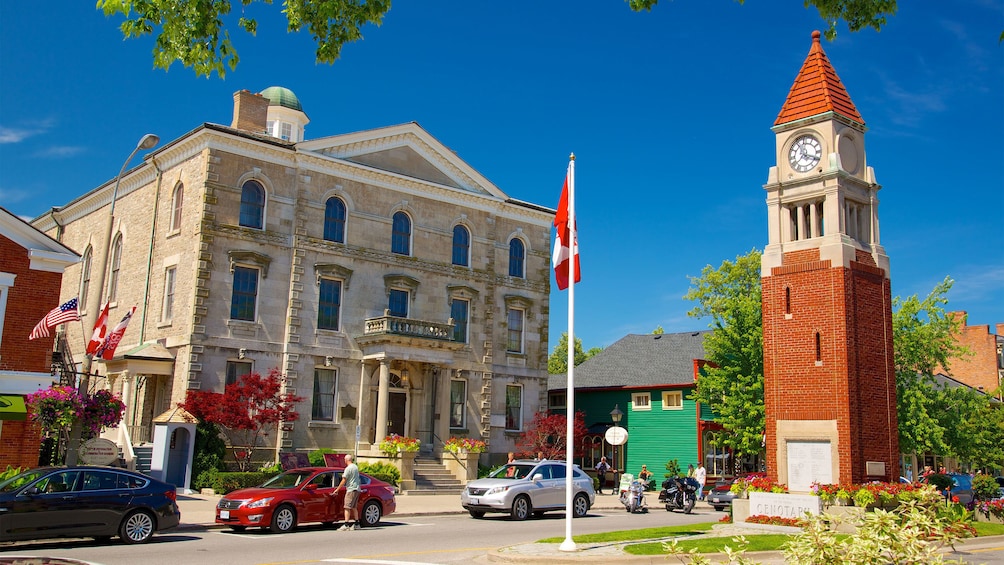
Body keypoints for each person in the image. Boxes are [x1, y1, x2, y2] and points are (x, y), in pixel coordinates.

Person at [336, 454, 361, 531]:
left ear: (346, 460)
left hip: (351, 489)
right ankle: (357, 524)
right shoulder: (355, 467)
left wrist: (337, 489)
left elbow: (344, 480)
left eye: (344, 460)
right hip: (357, 489)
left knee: (347, 507)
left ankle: (346, 524)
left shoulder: (348, 469)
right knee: (354, 507)